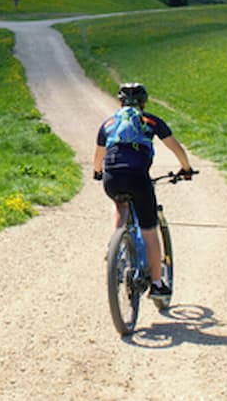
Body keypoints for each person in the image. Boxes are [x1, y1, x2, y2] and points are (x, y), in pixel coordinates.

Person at [93, 82, 194, 299]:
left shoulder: (109, 123)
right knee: (149, 230)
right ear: (144, 102)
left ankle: (115, 247)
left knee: (120, 204)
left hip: (112, 178)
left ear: (120, 103)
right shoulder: (151, 121)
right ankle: (157, 284)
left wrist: (98, 173)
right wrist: (186, 169)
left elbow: (98, 157)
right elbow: (176, 147)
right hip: (138, 177)